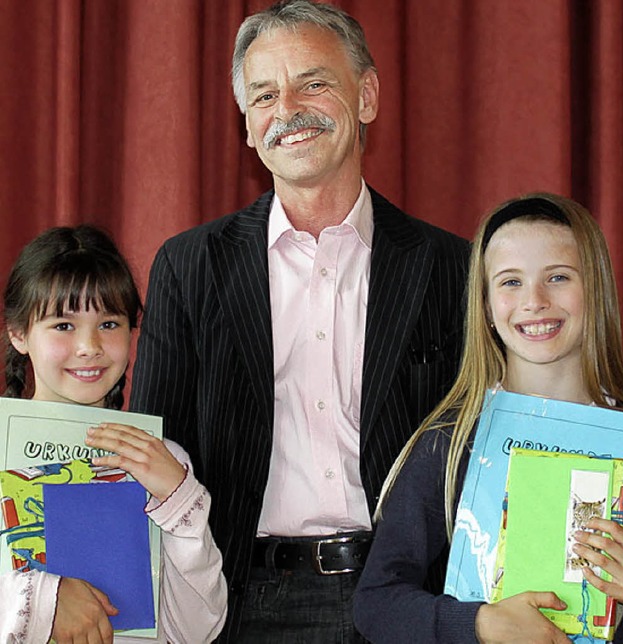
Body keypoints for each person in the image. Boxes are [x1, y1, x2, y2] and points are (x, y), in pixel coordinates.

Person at [129, 0, 469, 641]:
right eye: (263, 96)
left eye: (313, 82)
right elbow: (158, 453)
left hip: (410, 599)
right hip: (244, 603)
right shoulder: (190, 266)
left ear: (366, 95)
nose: (287, 109)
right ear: (249, 127)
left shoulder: (453, 267)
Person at [353, 192, 623, 643]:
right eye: (510, 282)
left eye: (558, 277)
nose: (535, 301)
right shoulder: (451, 442)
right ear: (485, 307)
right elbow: (375, 602)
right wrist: (480, 623)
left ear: (597, 288)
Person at [0, 225, 227, 644]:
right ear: (18, 333)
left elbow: (198, 628)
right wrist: (45, 598)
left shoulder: (161, 459)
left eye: (108, 323)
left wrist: (180, 500)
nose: (89, 346)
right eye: (63, 325)